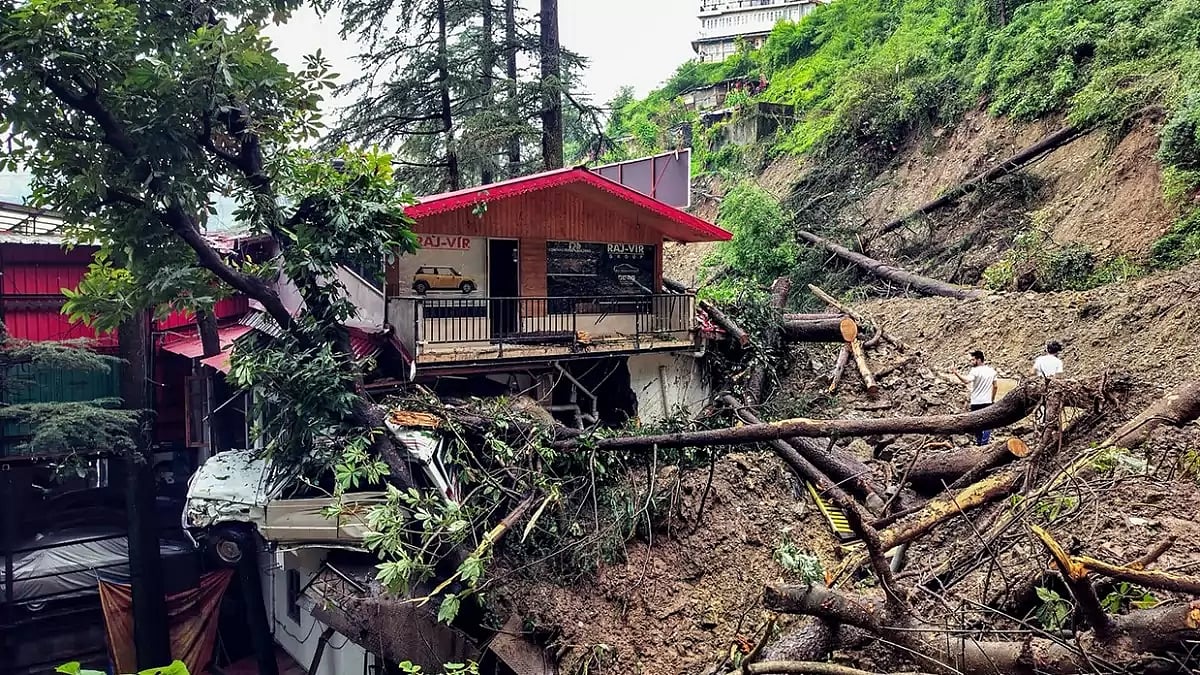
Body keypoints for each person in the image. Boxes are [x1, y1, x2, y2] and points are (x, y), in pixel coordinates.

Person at [947, 350, 998, 446]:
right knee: (988, 423)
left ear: (979, 360)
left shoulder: (975, 371)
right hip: (987, 401)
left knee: (977, 423)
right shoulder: (992, 371)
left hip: (976, 402)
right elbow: (995, 386)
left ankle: (979, 442)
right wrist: (992, 399)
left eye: (972, 360)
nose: (971, 362)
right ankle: (984, 443)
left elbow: (966, 381)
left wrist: (955, 372)